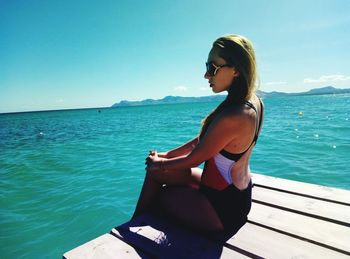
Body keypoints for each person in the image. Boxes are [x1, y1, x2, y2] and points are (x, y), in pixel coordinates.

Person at [132, 34, 264, 241]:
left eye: (212, 68)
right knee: (157, 175)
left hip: (223, 210)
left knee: (160, 197)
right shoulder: (250, 101)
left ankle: (132, 232)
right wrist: (166, 156)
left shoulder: (235, 115)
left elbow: (195, 158)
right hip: (231, 194)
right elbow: (202, 140)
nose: (206, 75)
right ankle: (135, 223)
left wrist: (157, 165)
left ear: (236, 69)